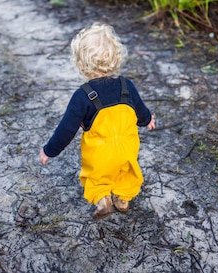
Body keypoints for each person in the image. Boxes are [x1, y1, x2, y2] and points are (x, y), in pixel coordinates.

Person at [39, 23, 156, 219]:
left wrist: (49, 150)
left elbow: (66, 129)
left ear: (81, 64)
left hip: (100, 153)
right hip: (127, 147)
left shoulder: (83, 95)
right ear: (117, 58)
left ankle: (102, 199)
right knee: (127, 172)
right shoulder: (127, 86)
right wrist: (147, 120)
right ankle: (123, 198)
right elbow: (140, 111)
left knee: (95, 177)